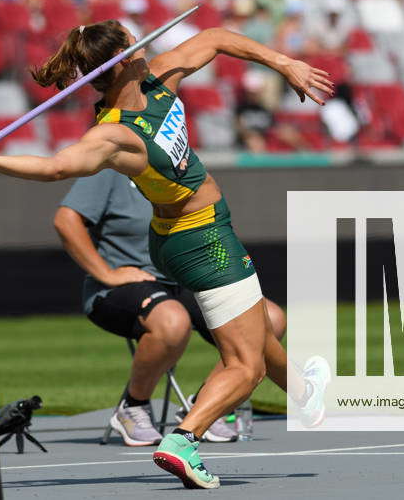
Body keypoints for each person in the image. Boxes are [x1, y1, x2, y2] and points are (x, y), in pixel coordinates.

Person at [0, 20, 333, 489]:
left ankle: (303, 395)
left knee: (254, 330)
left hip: (180, 238)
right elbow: (55, 166)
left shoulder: (160, 77)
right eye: (136, 40)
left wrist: (283, 62)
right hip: (203, 240)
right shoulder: (115, 135)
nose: (146, 42)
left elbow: (215, 38)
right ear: (125, 57)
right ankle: (184, 440)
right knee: (245, 365)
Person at [56, 169, 287, 446]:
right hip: (122, 286)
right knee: (172, 321)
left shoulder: (183, 169)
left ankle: (205, 405)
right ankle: (133, 405)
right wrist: (107, 273)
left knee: (270, 318)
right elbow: (65, 220)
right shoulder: (111, 171)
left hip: (185, 279)